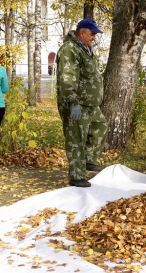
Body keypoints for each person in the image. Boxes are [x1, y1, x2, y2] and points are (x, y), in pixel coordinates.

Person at [56, 18, 107, 187]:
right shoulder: (70, 49)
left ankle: (88, 159)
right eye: (92, 34)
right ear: (82, 32)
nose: (94, 37)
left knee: (100, 126)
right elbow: (67, 77)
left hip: (90, 103)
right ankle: (77, 176)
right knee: (76, 137)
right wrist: (73, 101)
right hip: (77, 103)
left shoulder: (85, 49)